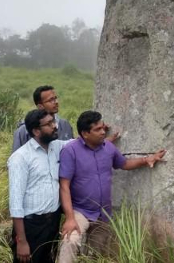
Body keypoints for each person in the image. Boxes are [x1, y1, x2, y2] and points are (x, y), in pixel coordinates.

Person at [57, 110, 166, 263]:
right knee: (71, 240)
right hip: (80, 210)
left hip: (103, 212)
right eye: (98, 129)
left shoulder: (108, 147)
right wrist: (69, 218)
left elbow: (124, 164)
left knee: (97, 253)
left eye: (103, 128)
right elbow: (64, 185)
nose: (103, 132)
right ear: (85, 133)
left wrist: (147, 159)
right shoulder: (70, 150)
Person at [8, 109, 72, 263]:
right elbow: (15, 203)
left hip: (53, 221)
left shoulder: (56, 147)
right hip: (31, 226)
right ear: (36, 131)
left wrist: (105, 136)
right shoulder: (20, 158)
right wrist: (21, 241)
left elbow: (81, 143)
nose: (55, 126)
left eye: (53, 121)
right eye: (49, 124)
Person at [12, 85, 74, 153]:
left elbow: (73, 151)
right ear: (40, 106)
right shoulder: (24, 130)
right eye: (51, 100)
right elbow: (16, 157)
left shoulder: (65, 125)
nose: (56, 102)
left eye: (55, 98)